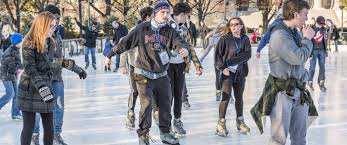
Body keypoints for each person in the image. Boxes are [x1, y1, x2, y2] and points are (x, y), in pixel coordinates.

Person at [104, 1, 189, 144]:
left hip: (162, 74)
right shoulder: (142, 28)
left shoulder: (169, 30)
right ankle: (143, 134)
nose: (166, 15)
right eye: (163, 12)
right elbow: (124, 43)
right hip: (143, 74)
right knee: (147, 104)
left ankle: (166, 132)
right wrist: (109, 55)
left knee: (165, 105)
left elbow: (178, 41)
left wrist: (182, 48)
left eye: (168, 13)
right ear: (155, 13)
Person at [250, 1, 318, 145]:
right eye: (305, 14)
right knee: (278, 139)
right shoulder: (280, 35)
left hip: (299, 91)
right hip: (282, 93)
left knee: (300, 138)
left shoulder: (293, 32)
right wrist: (308, 39)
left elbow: (302, 55)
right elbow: (298, 57)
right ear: (295, 14)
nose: (307, 18)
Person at [31, 5, 87, 145]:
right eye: (55, 18)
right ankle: (35, 133)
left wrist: (77, 69)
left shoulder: (58, 36)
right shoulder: (36, 36)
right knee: (38, 107)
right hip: (41, 79)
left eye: (58, 19)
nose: (57, 22)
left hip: (56, 77)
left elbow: (59, 58)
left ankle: (56, 133)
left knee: (59, 106)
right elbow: (44, 61)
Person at [16, 11, 57, 145]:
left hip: (45, 86)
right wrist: (44, 90)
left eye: (54, 26)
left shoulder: (50, 42)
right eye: (51, 26)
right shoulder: (28, 43)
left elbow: (54, 61)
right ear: (42, 25)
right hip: (29, 89)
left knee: (49, 128)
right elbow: (31, 70)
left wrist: (75, 68)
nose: (53, 29)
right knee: (29, 127)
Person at [167, 2, 203, 136]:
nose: (187, 19)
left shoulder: (184, 29)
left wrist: (197, 65)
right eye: (187, 16)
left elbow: (190, 47)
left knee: (178, 94)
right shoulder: (165, 26)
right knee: (168, 96)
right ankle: (166, 122)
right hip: (167, 66)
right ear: (182, 14)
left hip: (181, 65)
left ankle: (177, 120)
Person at [118, 6, 154, 129]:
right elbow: (124, 46)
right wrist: (123, 65)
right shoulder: (135, 30)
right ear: (148, 17)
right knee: (135, 91)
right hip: (135, 66)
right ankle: (130, 113)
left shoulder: (155, 29)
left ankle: (154, 113)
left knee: (151, 91)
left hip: (150, 67)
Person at [214, 17, 252, 137]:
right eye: (231, 25)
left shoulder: (245, 39)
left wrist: (230, 62)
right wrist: (223, 67)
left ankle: (240, 121)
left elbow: (248, 55)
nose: (233, 27)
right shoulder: (224, 39)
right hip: (227, 74)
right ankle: (221, 123)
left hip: (240, 73)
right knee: (225, 98)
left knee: (239, 97)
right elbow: (217, 57)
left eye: (236, 24)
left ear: (241, 26)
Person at [199, 22, 227, 101]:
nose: (222, 31)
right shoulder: (215, 38)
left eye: (224, 29)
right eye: (220, 29)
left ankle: (227, 93)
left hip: (227, 61)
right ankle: (218, 92)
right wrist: (201, 59)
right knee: (218, 77)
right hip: (217, 61)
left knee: (226, 77)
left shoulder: (229, 37)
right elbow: (207, 49)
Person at [0, 33, 23, 120]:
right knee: (10, 93)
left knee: (16, 94)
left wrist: (21, 67)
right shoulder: (10, 51)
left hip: (12, 74)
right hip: (6, 74)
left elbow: (18, 62)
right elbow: (12, 65)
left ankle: (15, 113)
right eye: (21, 40)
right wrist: (19, 69)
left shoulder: (16, 49)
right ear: (17, 41)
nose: (22, 42)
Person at [307, 16, 328, 92]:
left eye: (322, 24)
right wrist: (309, 52)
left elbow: (325, 40)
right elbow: (308, 41)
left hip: (322, 51)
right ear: (316, 22)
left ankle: (321, 82)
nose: (321, 25)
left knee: (322, 67)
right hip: (313, 51)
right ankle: (310, 82)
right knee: (312, 67)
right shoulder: (311, 29)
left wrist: (326, 51)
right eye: (320, 24)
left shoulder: (324, 29)